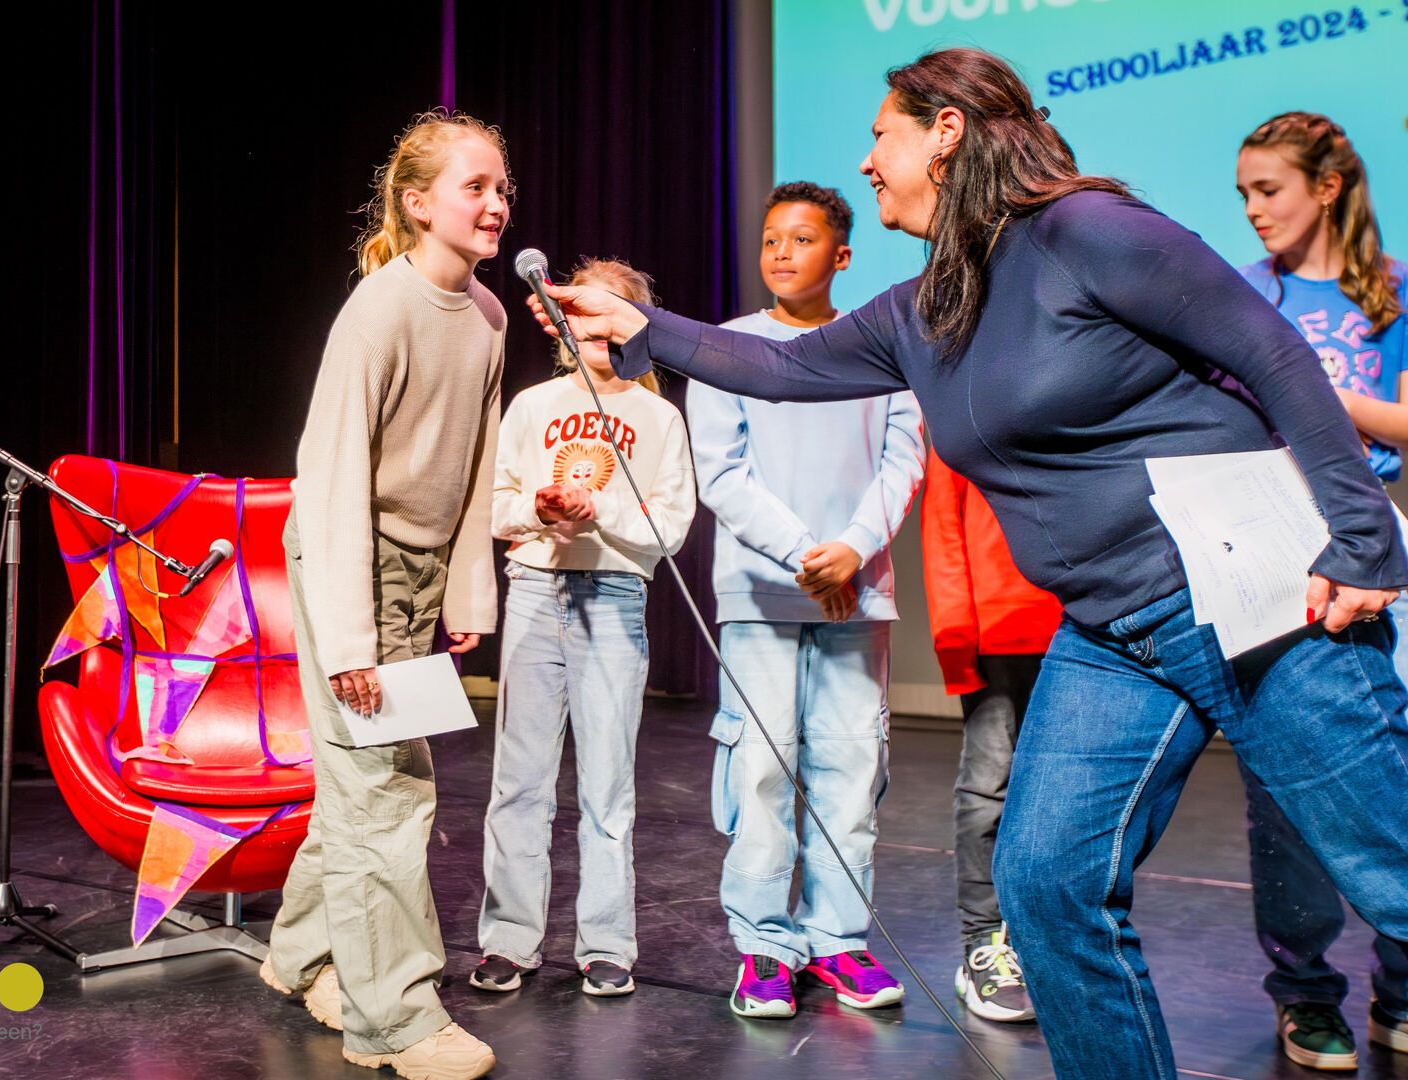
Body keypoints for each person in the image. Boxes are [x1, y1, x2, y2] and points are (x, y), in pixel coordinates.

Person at [526, 47, 1408, 1080]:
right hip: (1112, 632)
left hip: (1251, 595)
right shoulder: (925, 303)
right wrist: (638, 325)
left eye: (880, 134)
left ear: (946, 130)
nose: (866, 162)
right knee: (1047, 885)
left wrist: (1359, 535)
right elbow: (782, 367)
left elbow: (1271, 354)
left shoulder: (1086, 230)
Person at [258, 111, 508, 1080]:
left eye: (502, 189)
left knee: (359, 790)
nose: (493, 205)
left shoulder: (485, 317)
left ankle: (301, 956)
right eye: (473, 188)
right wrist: (352, 638)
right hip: (345, 566)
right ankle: (393, 1019)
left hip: (412, 577)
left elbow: (475, 468)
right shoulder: (379, 308)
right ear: (417, 204)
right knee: (387, 794)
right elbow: (329, 478)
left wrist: (464, 590)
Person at [1234, 110, 1408, 1073]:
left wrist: (1316, 393)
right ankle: (1305, 994)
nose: (1251, 210)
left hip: (1374, 558)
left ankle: (1406, 997)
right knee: (1282, 793)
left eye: (1267, 190)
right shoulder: (1242, 296)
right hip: (1275, 560)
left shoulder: (1396, 288)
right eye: (1241, 193)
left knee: (1407, 784)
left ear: (1324, 188)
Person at [686, 181, 923, 1018]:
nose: (783, 252)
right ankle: (762, 947)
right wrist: (803, 555)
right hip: (759, 595)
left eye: (803, 238)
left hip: (856, 597)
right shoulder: (723, 348)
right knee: (760, 770)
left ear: (842, 255)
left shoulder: (883, 348)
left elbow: (903, 461)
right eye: (770, 239)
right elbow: (721, 472)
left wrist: (852, 552)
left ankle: (838, 940)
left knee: (852, 769)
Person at [472, 259, 696, 1000]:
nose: (594, 332)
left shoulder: (658, 418)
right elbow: (496, 503)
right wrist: (538, 509)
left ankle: (605, 944)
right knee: (520, 781)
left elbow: (669, 528)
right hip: (536, 587)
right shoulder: (534, 406)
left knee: (607, 782)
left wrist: (600, 512)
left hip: (614, 597)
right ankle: (509, 940)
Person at [919, 448, 1061, 1024]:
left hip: (1086, 626)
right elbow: (943, 524)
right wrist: (956, 637)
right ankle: (986, 945)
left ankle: (1051, 946)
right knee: (988, 790)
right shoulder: (967, 384)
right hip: (999, 627)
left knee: (1070, 800)